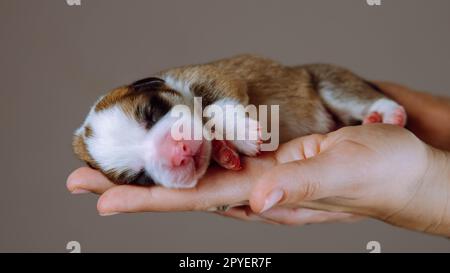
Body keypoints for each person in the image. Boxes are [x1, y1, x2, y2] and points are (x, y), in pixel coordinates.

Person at [67, 82, 450, 237]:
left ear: (155, 87)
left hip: (311, 93)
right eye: (144, 173)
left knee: (335, 85)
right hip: (324, 139)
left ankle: (372, 104)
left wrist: (423, 184)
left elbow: (228, 88)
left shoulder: (189, 86)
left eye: (153, 117)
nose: (175, 150)